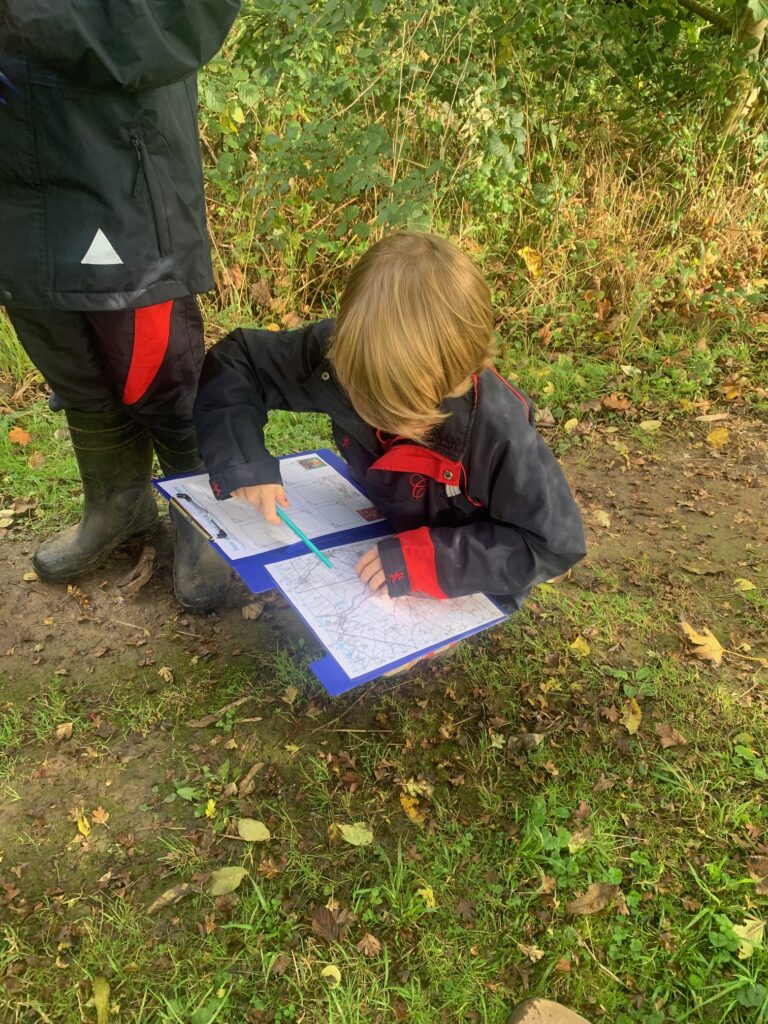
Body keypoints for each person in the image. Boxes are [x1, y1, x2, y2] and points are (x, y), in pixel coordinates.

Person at [193, 233, 586, 614]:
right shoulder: (343, 355)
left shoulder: (498, 432)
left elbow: (553, 544)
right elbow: (239, 361)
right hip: (380, 531)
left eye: (400, 409)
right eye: (363, 396)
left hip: (464, 575)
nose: (374, 415)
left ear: (456, 377)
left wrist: (427, 561)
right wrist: (242, 461)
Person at [0, 1, 240, 612]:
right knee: (70, 366)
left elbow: (185, 18)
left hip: (118, 168)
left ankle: (205, 515)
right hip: (14, 185)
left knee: (157, 369)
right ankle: (119, 504)